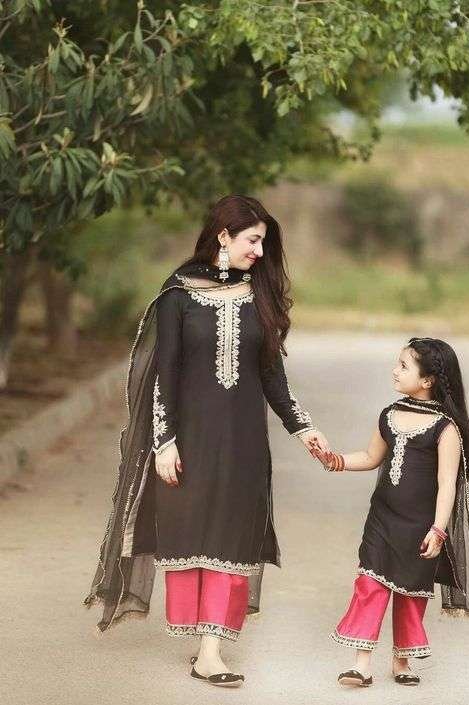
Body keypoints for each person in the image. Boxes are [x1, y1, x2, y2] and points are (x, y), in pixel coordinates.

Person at [84, 195, 329, 687]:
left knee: (233, 538)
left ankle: (211, 651)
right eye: (252, 240)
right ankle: (202, 641)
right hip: (189, 442)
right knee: (192, 533)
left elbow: (273, 379)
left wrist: (304, 428)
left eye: (263, 243)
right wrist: (164, 441)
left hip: (244, 445)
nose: (259, 252)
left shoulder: (258, 297)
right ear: (223, 236)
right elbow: (165, 375)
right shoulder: (178, 295)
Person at [312, 337, 469, 688]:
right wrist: (335, 461)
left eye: (404, 366)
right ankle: (361, 665)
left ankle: (402, 661)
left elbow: (447, 484)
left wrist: (438, 529)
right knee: (369, 583)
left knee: (410, 592)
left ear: (428, 380)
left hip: (420, 526)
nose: (395, 371)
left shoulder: (445, 428)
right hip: (382, 519)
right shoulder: (389, 415)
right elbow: (370, 457)